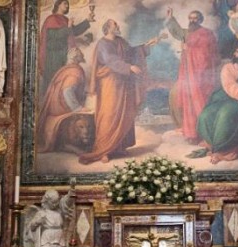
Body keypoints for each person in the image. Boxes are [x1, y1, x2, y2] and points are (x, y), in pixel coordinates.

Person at [78, 19, 158, 165]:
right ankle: (104, 150)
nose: (118, 26)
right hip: (109, 83)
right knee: (109, 115)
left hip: (123, 82)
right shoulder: (103, 44)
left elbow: (131, 52)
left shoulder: (121, 41)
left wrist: (146, 46)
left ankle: (119, 147)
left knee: (124, 113)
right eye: (115, 24)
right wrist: (129, 67)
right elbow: (110, 60)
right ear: (108, 28)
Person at [194, 45, 238, 164]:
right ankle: (212, 143)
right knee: (206, 114)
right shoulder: (228, 67)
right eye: (236, 52)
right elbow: (229, 86)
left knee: (226, 114)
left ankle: (223, 150)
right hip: (226, 96)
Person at [164, 7, 218, 145]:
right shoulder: (188, 33)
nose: (192, 20)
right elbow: (177, 32)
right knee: (188, 104)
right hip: (188, 75)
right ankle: (192, 133)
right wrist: (170, 18)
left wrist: (189, 49)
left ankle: (205, 134)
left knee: (200, 103)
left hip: (201, 77)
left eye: (195, 18)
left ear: (200, 20)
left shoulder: (207, 33)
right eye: (190, 18)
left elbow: (207, 54)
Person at [37, 47, 89, 153]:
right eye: (80, 56)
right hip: (61, 107)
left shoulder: (66, 69)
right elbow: (67, 92)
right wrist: (78, 108)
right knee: (88, 115)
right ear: (77, 58)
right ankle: (72, 144)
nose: (82, 57)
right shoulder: (75, 72)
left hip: (55, 105)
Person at [39, 0, 93, 95]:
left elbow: (74, 31)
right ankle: (52, 104)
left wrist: (87, 20)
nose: (67, 6)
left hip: (64, 53)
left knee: (65, 80)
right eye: (65, 3)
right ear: (58, 5)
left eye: (68, 4)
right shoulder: (51, 19)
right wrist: (68, 27)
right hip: (54, 56)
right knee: (56, 81)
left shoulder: (65, 19)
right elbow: (54, 35)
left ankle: (64, 103)